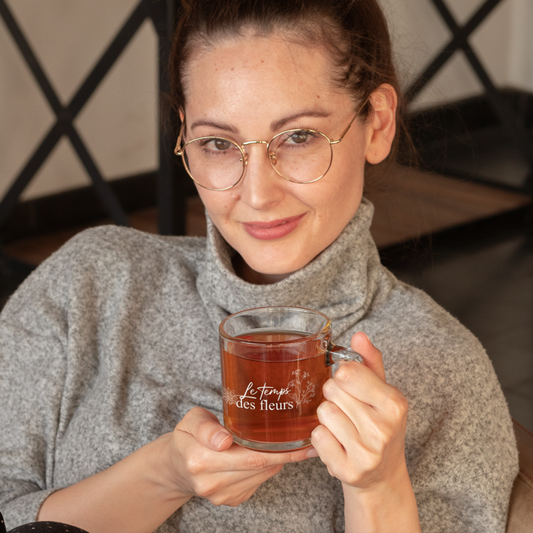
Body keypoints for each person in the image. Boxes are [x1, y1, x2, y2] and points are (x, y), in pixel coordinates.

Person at [0, 0, 518, 532]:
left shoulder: (440, 366)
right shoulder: (89, 284)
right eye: (219, 144)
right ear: (185, 136)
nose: (257, 194)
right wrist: (162, 475)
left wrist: (379, 489)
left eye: (298, 137)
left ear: (378, 124)